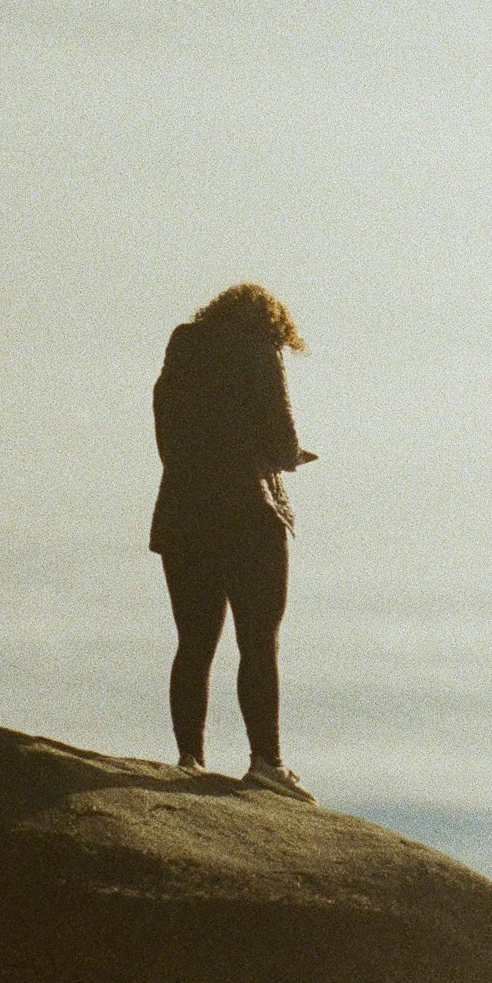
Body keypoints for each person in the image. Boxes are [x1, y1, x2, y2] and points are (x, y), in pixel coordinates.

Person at [150, 283, 316, 798]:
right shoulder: (258, 348)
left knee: (194, 641)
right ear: (273, 322)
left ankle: (189, 757)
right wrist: (290, 456)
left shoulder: (183, 344)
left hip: (183, 512)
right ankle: (266, 762)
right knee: (257, 640)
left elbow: (167, 429)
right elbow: (282, 438)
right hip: (248, 510)